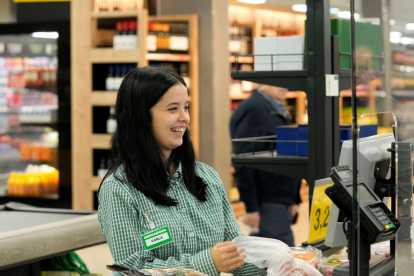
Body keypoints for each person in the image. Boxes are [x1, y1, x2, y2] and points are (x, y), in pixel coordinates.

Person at [98, 67, 264, 276]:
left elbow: (237, 251)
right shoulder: (119, 189)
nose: (184, 117)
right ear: (140, 116)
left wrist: (282, 266)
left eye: (185, 107)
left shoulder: (207, 177)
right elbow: (131, 269)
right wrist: (208, 262)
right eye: (172, 109)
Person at [229, 84, 302, 247]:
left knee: (263, 256)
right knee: (285, 258)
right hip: (268, 201)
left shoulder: (275, 106)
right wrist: (251, 207)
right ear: (261, 82)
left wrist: (293, 198)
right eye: (278, 79)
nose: (285, 85)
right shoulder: (253, 110)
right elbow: (243, 161)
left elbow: (286, 152)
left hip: (280, 199)